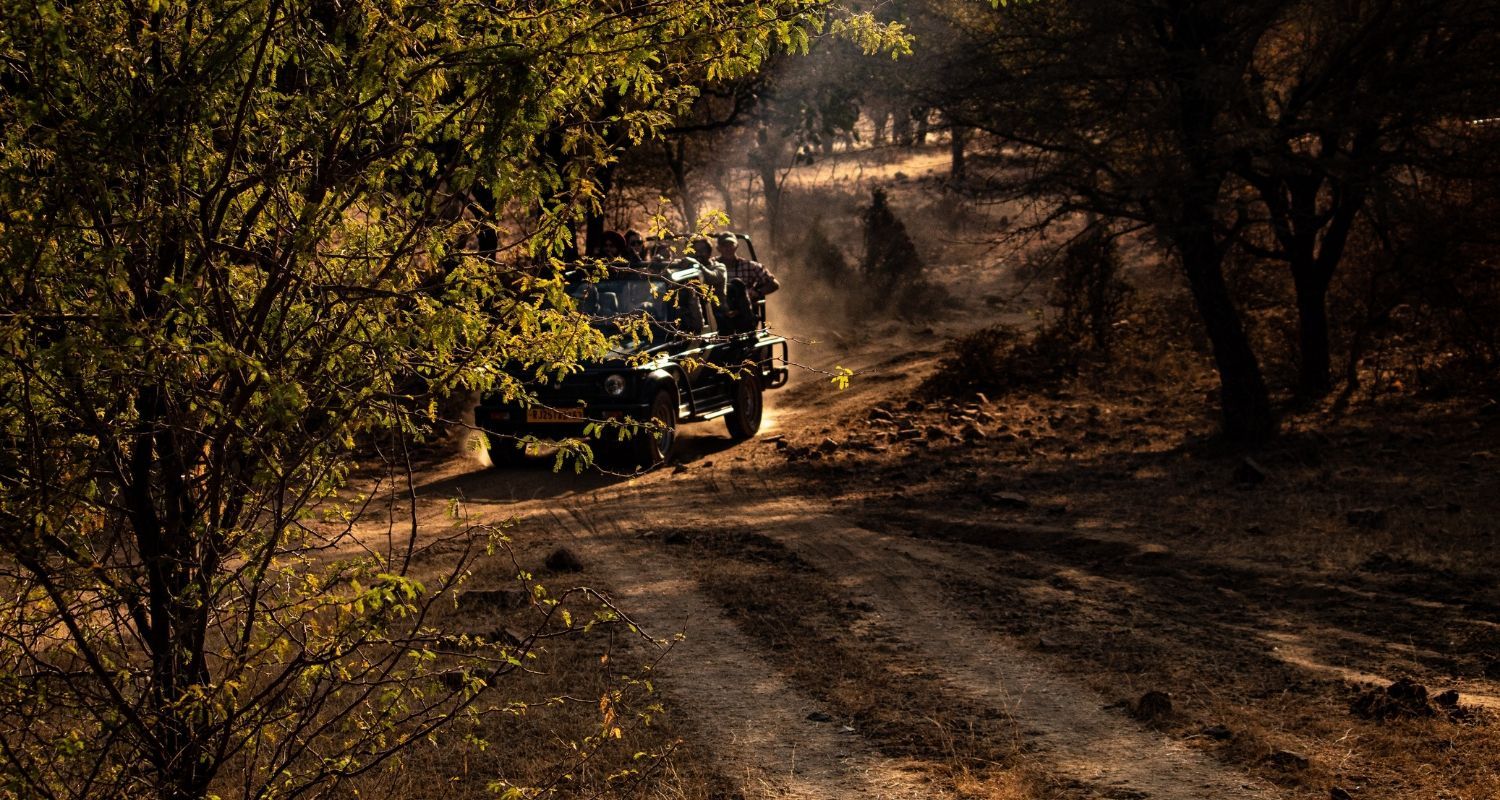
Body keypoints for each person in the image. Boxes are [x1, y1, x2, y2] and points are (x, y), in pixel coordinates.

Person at [715, 232, 779, 301]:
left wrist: (757, 292)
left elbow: (774, 284)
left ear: (736, 246)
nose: (728, 249)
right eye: (724, 245)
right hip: (717, 307)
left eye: (731, 245)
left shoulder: (750, 266)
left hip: (743, 307)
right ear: (718, 248)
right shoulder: (711, 265)